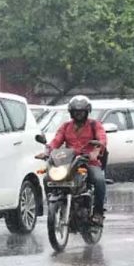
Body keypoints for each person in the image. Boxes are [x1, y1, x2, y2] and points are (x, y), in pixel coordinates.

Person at [36, 95, 107, 224]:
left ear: (87, 112)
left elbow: (102, 138)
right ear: (71, 113)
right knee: (48, 178)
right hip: (69, 162)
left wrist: (96, 151)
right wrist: (47, 151)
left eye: (81, 112)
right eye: (75, 112)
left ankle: (98, 212)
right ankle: (54, 205)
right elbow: (56, 141)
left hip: (88, 162)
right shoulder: (66, 126)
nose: (78, 114)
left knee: (99, 180)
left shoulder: (94, 125)